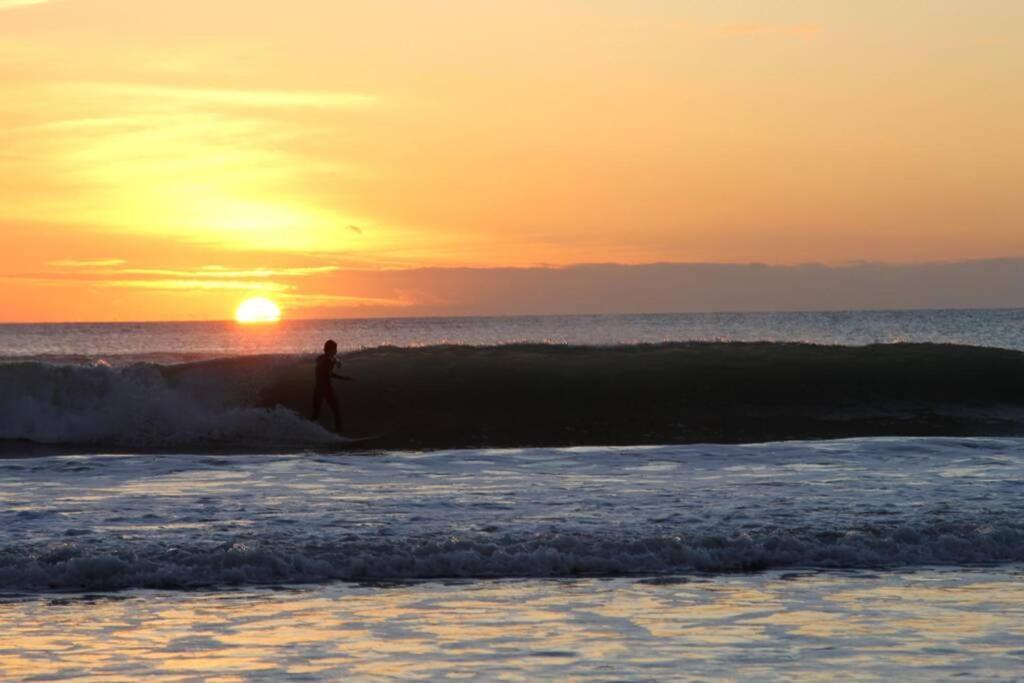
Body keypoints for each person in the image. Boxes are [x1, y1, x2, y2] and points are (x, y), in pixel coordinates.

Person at [311, 339, 352, 433]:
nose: (336, 351)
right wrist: (343, 377)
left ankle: (308, 431)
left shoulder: (322, 358)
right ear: (329, 349)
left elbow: (328, 367)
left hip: (318, 389)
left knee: (315, 414)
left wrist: (336, 361)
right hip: (326, 389)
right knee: (336, 410)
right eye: (335, 349)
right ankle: (338, 433)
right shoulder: (327, 360)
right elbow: (328, 370)